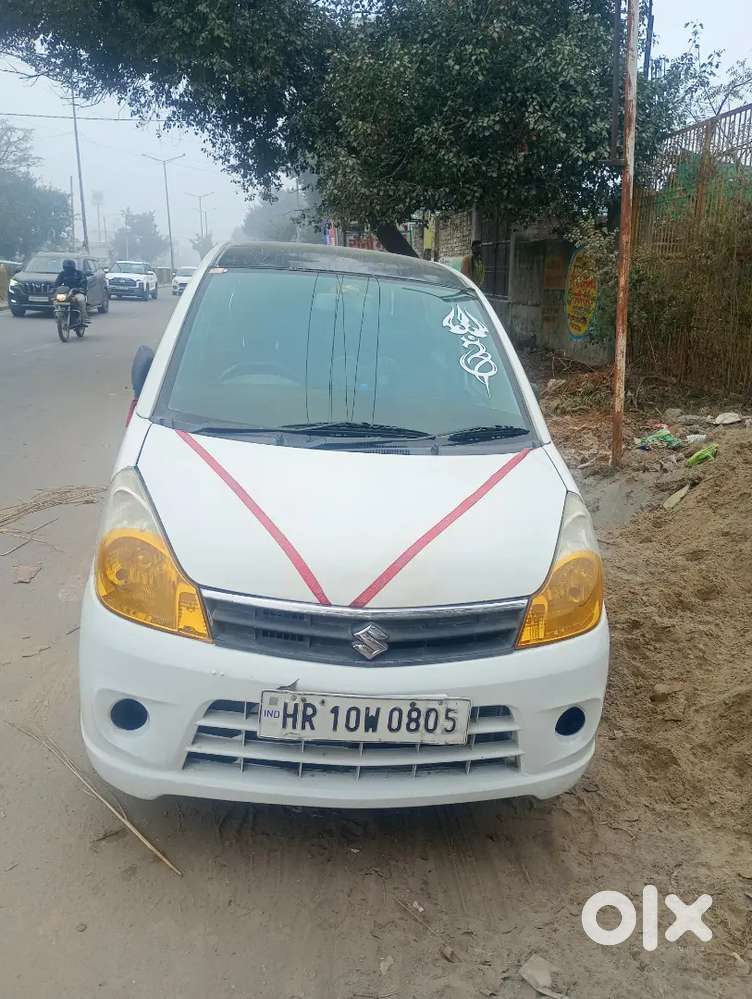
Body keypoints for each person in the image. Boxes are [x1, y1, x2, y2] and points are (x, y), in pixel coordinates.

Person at [54, 258, 89, 325]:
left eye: (68, 268)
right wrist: (54, 289)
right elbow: (57, 283)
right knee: (56, 300)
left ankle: (84, 317)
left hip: (77, 292)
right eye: (65, 268)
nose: (67, 269)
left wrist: (78, 289)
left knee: (81, 300)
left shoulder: (79, 274)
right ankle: (58, 315)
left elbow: (83, 285)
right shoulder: (62, 274)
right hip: (66, 293)